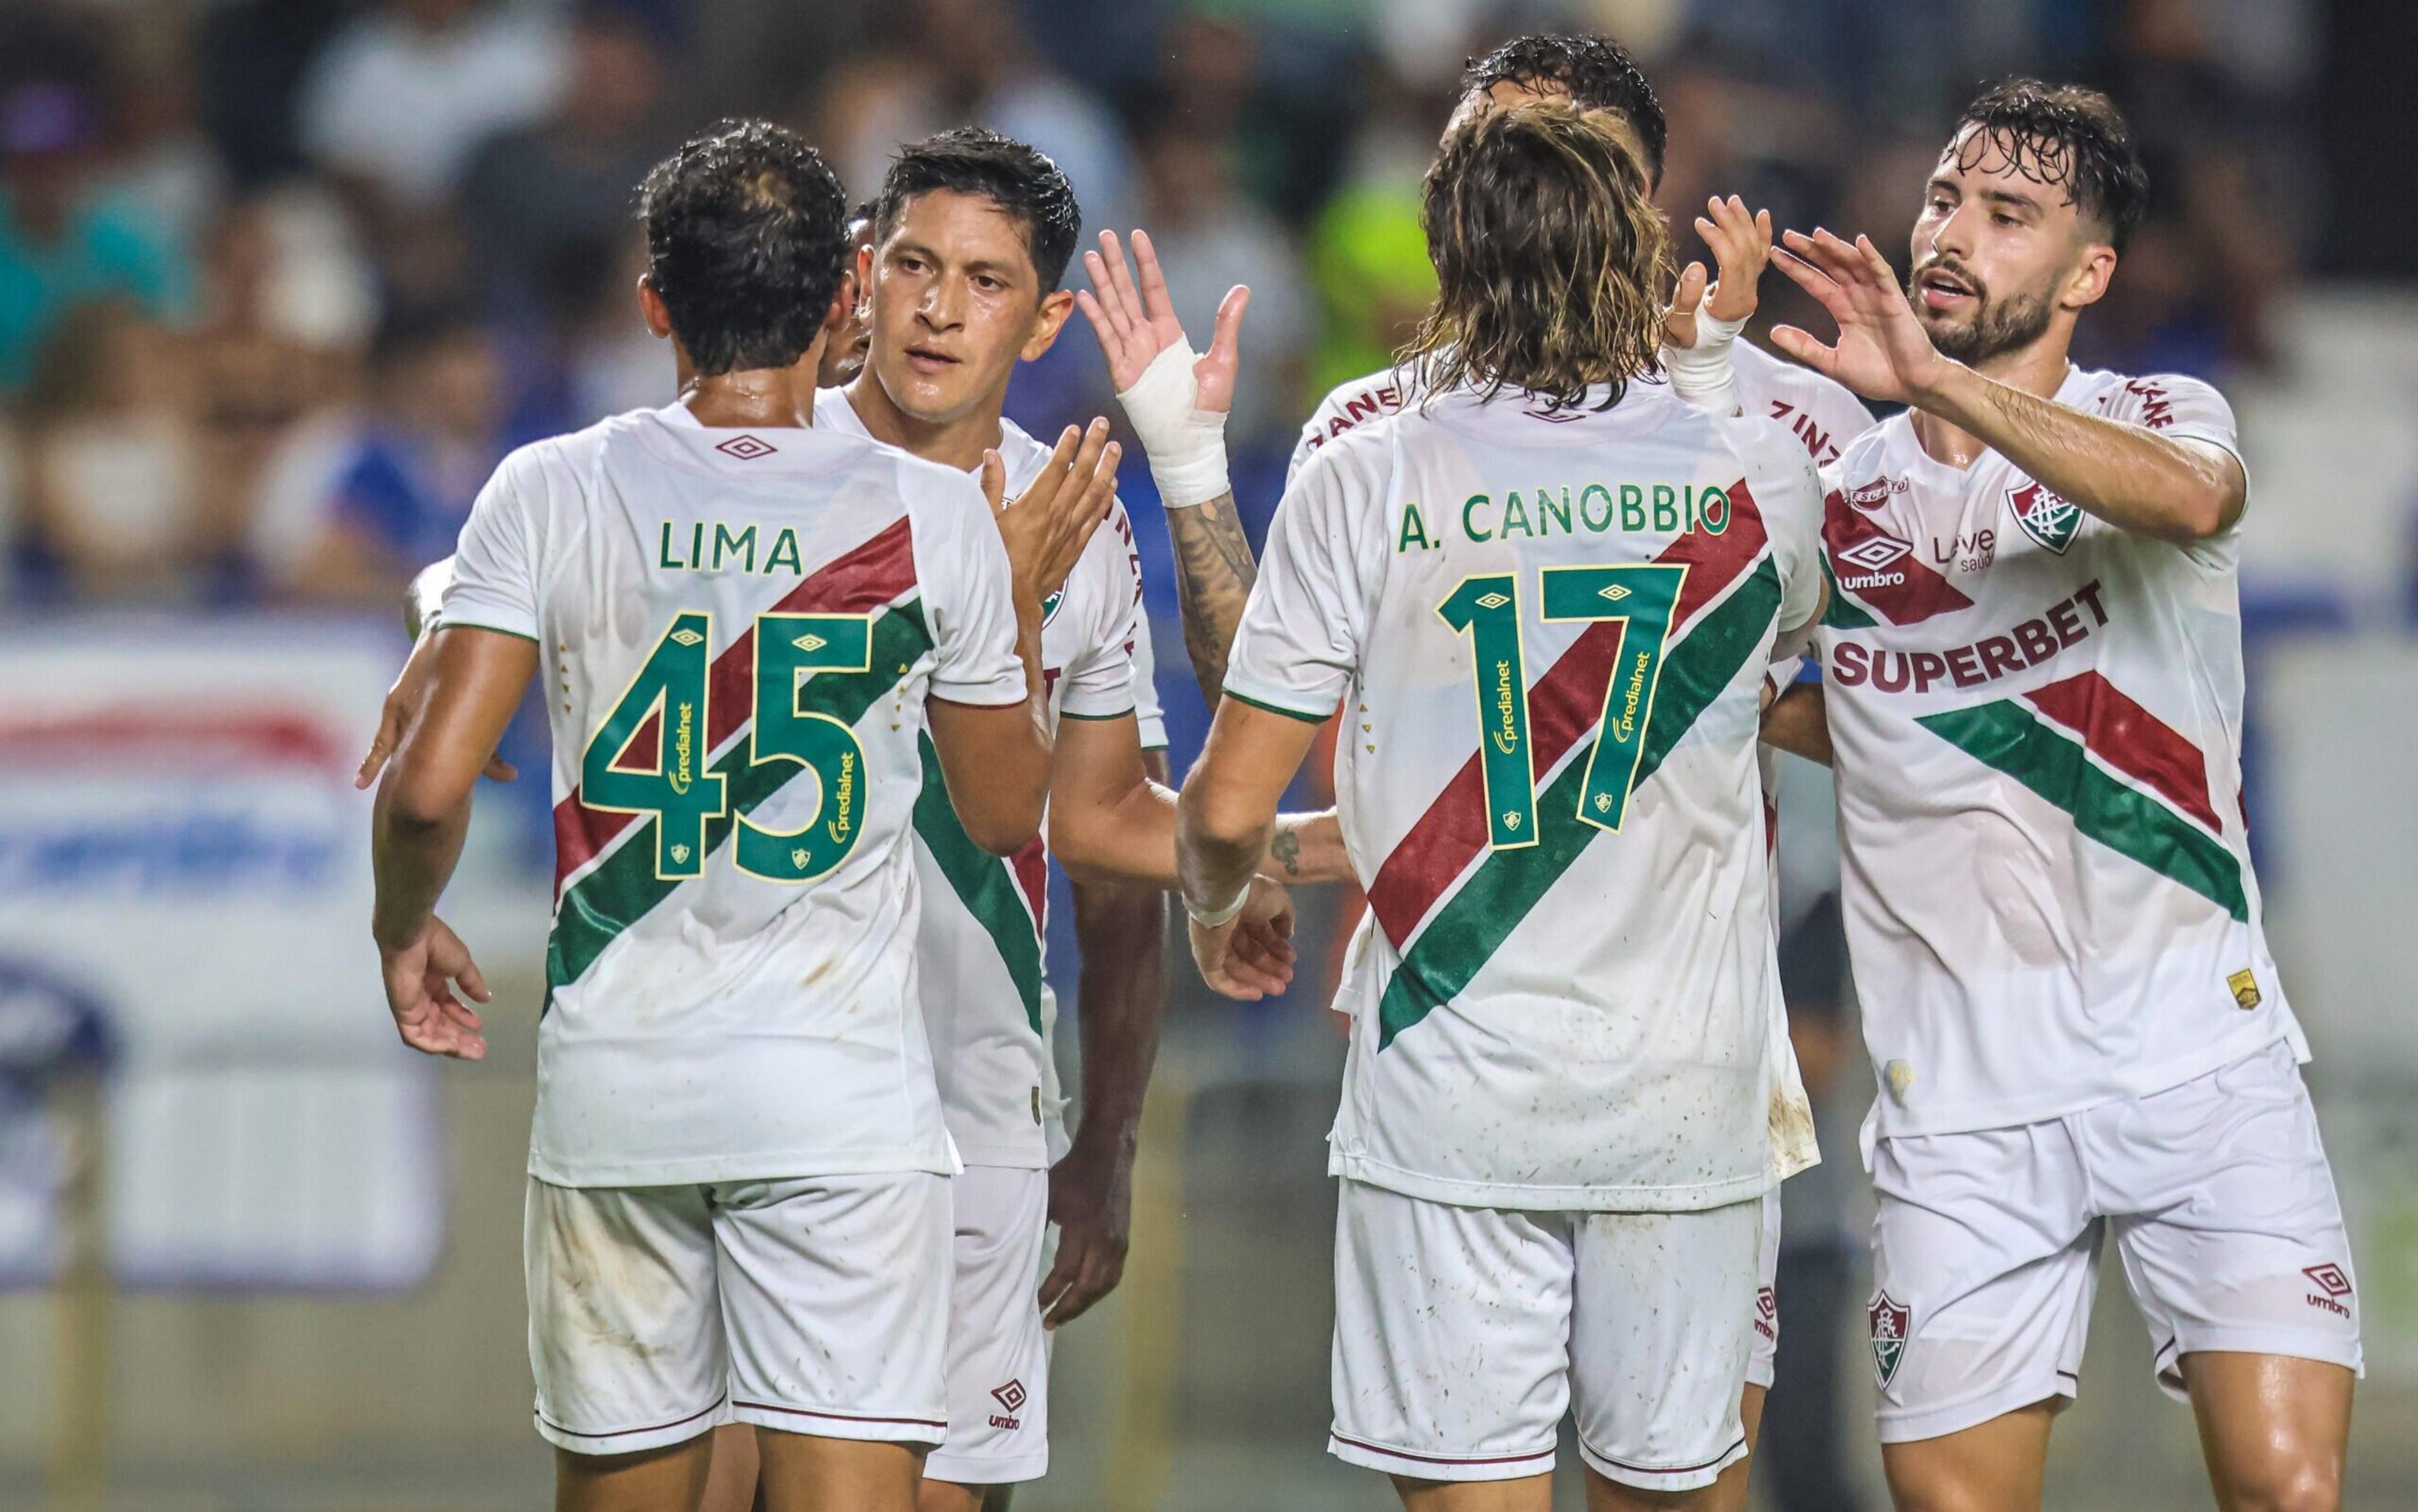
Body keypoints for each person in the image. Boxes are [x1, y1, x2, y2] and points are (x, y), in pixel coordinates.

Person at [361, 128, 1325, 1512]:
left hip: (963, 1096)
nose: (938, 307)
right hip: (838, 1092)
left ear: (1043, 317)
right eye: (915, 265)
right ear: (852, 283)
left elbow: (1103, 838)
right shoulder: (846, 479)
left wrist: (1106, 1139)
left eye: (985, 281)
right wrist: (436, 629)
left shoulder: (1074, 520)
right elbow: (1017, 798)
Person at [1079, 35, 1863, 1504]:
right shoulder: (1766, 457)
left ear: (1448, 236)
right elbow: (1839, 682)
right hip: (1685, 1094)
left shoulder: (1366, 448)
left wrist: (1223, 879)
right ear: (1637, 223)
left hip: (1449, 1080)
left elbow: (1239, 786)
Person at [1744, 81, 2357, 1512]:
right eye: (1945, 199)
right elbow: (1858, 708)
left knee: (2290, 1488)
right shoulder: (1836, 497)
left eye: (2007, 216)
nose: (1953, 235)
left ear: (2088, 273)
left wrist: (1937, 385)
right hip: (1959, 1095)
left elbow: (2195, 504)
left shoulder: (2158, 417)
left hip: (2201, 1056)